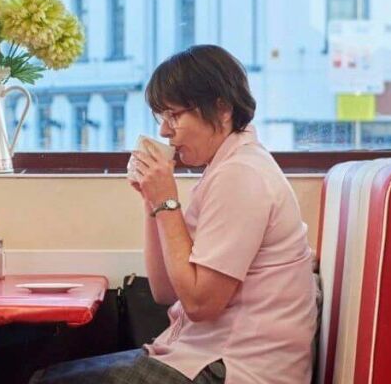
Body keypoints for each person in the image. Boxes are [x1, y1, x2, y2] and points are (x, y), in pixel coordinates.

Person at [31, 45, 317, 384]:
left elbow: (200, 304)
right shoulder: (224, 169)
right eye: (162, 117)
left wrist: (167, 200)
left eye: (174, 116)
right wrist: (151, 202)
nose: (165, 131)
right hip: (199, 357)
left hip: (233, 369)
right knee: (46, 374)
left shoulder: (242, 175)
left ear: (222, 109)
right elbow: (165, 292)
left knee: (44, 379)